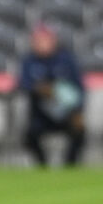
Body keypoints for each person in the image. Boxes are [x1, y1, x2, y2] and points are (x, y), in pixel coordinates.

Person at [18, 23, 86, 166]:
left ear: (54, 40)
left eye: (45, 40)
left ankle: (70, 166)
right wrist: (40, 89)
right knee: (29, 136)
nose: (41, 44)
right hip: (40, 115)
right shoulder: (29, 61)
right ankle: (42, 166)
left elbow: (79, 88)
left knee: (80, 132)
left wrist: (78, 110)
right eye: (37, 40)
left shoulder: (67, 60)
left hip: (66, 113)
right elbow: (22, 84)